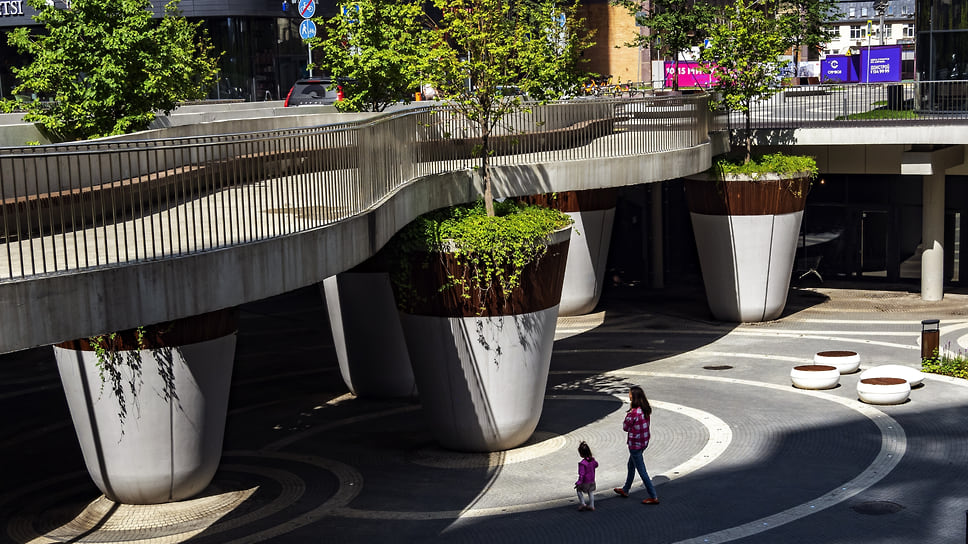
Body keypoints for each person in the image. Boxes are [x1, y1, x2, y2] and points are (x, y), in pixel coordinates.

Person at [613, 385, 659, 505]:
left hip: (635, 445)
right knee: (630, 465)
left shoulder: (633, 414)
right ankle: (625, 489)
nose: (628, 395)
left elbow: (625, 428)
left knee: (642, 470)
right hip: (644, 442)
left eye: (629, 394)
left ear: (634, 397)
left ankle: (653, 496)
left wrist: (627, 418)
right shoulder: (645, 409)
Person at [574, 441, 598, 511]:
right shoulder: (592, 460)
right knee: (590, 492)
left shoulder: (582, 463)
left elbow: (582, 474)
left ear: (581, 454)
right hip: (592, 480)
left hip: (585, 481)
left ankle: (582, 503)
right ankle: (592, 505)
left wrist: (578, 482)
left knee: (578, 490)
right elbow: (596, 465)